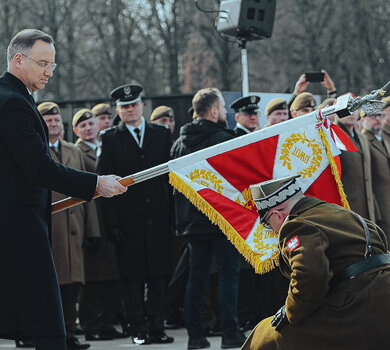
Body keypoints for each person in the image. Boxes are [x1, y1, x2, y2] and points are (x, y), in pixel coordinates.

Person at [0, 29, 126, 350]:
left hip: (17, 221)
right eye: (43, 63)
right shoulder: (13, 103)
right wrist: (94, 183)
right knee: (48, 324)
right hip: (19, 225)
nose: (48, 72)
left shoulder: (13, 98)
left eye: (52, 65)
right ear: (18, 60)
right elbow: (39, 167)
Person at [242, 175, 390, 350]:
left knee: (265, 336)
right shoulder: (344, 213)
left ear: (276, 214)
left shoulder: (296, 225)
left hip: (357, 310)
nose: (272, 230)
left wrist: (290, 312)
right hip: (380, 301)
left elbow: (311, 277)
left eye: (267, 223)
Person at [97, 84, 174, 345]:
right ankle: (137, 329)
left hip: (159, 218)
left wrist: (172, 217)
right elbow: (104, 183)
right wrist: (112, 224)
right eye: (124, 107)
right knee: (132, 278)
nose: (130, 110)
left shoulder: (162, 135)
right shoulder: (109, 138)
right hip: (127, 221)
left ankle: (156, 326)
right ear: (118, 110)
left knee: (158, 276)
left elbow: (172, 181)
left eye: (134, 105)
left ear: (142, 106)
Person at [171, 88, 246, 350]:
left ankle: (195, 336)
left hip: (192, 222)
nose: (225, 112)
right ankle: (230, 334)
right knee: (228, 277)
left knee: (196, 279)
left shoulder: (179, 142)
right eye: (223, 108)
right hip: (222, 219)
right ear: (213, 111)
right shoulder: (223, 139)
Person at [38, 103, 100, 350]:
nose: (53, 124)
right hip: (50, 228)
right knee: (51, 283)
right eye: (48, 120)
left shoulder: (73, 150)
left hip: (74, 227)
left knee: (74, 284)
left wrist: (92, 230)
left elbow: (89, 192)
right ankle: (49, 334)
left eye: (56, 120)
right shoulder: (36, 149)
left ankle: (70, 334)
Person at [72, 109, 125, 341]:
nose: (88, 128)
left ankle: (106, 321)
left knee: (111, 275)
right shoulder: (76, 152)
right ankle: (92, 323)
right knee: (92, 278)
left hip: (110, 219)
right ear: (76, 131)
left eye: (91, 123)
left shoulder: (105, 146)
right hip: (91, 219)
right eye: (83, 125)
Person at [334, 109, 377, 221]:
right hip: (345, 209)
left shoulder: (362, 138)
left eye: (354, 109)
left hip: (365, 207)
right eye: (346, 109)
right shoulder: (331, 137)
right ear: (336, 112)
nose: (350, 113)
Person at [361, 109, 390, 239]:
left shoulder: (383, 139)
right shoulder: (364, 140)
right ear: (362, 119)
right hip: (380, 206)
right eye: (372, 116)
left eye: (379, 115)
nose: (377, 119)